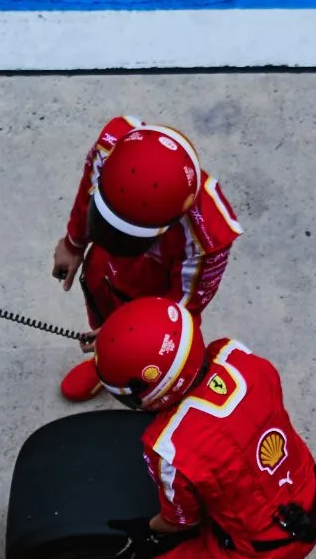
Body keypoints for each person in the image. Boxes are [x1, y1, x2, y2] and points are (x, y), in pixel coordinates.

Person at [71, 298, 316, 559]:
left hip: (252, 550)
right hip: (311, 500)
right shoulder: (237, 356)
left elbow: (180, 520)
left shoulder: (169, 447)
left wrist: (146, 530)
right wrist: (115, 344)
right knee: (275, 555)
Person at [51, 117, 240, 401]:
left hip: (159, 286)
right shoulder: (110, 150)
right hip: (105, 267)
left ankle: (164, 391)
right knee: (98, 292)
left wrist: (132, 339)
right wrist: (74, 244)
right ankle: (105, 361)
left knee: (160, 351)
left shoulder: (208, 237)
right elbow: (86, 194)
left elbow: (183, 308)